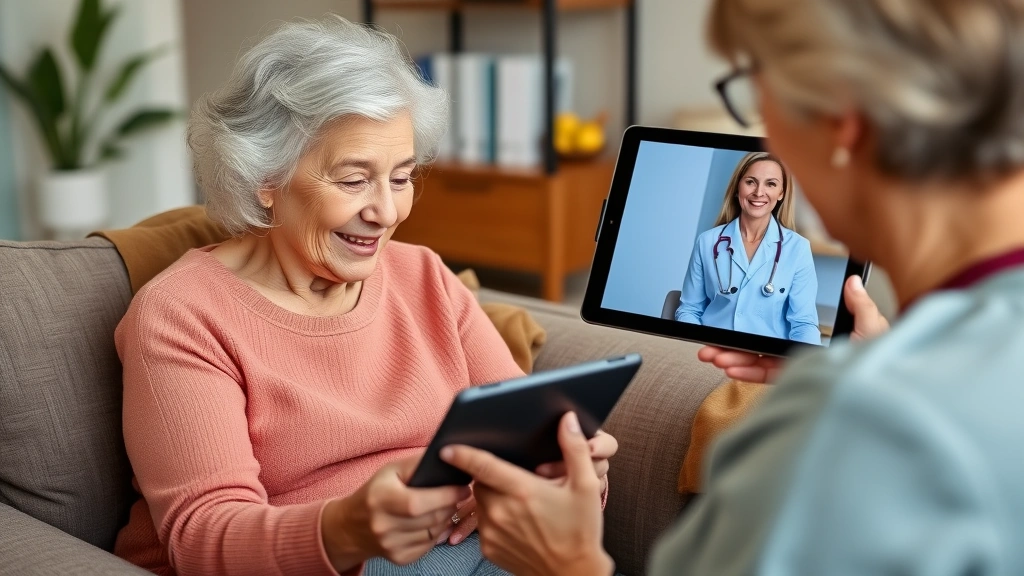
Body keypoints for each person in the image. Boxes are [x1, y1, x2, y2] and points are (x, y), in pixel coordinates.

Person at [442, 0, 1024, 574]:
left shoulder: (862, 417)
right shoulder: (907, 380)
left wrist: (566, 563)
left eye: (752, 88)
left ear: (840, 123)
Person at [112, 16, 616, 576]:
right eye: (353, 181)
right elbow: (203, 537)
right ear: (265, 177)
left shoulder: (423, 276)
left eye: (401, 178)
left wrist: (565, 479)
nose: (386, 212)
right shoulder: (183, 315)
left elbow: (525, 434)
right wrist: (346, 528)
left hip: (461, 552)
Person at [675, 152, 820, 344]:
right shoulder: (707, 241)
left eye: (771, 184)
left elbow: (803, 324)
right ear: (737, 188)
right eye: (751, 182)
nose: (759, 192)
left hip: (764, 359)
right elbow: (689, 310)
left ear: (781, 193)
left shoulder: (798, 248)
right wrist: (699, 348)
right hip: (710, 350)